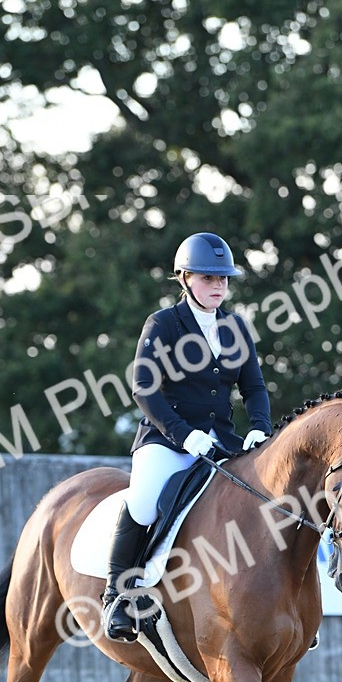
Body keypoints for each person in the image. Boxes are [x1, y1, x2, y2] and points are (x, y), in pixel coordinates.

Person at [102, 231, 272, 642]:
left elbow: (254, 387)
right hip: (167, 440)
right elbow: (144, 387)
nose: (218, 287)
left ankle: (280, 603)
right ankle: (117, 597)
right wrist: (183, 434)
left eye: (223, 280)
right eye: (208, 279)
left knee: (271, 500)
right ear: (184, 279)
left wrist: (260, 429)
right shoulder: (162, 324)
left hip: (224, 443)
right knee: (143, 501)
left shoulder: (234, 327)